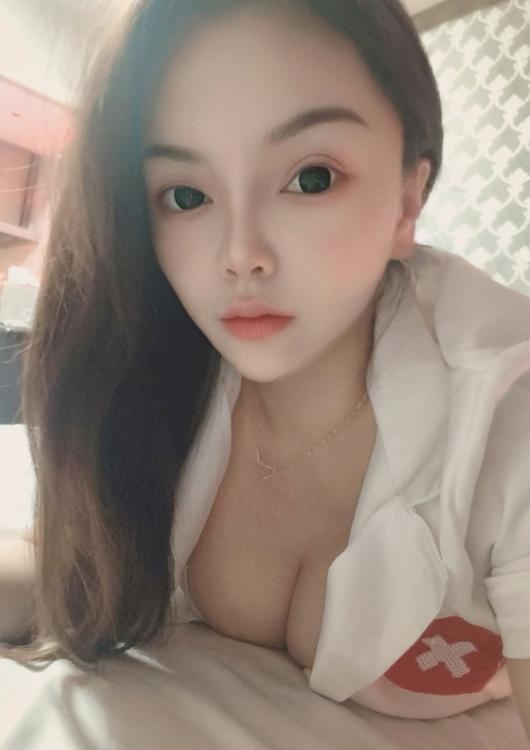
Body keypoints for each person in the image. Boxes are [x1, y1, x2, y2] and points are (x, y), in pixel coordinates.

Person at [1, 0, 529, 733]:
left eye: (311, 178)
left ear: (408, 197)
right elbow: (65, 559)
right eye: (187, 195)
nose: (239, 254)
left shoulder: (506, 412)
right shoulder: (151, 365)